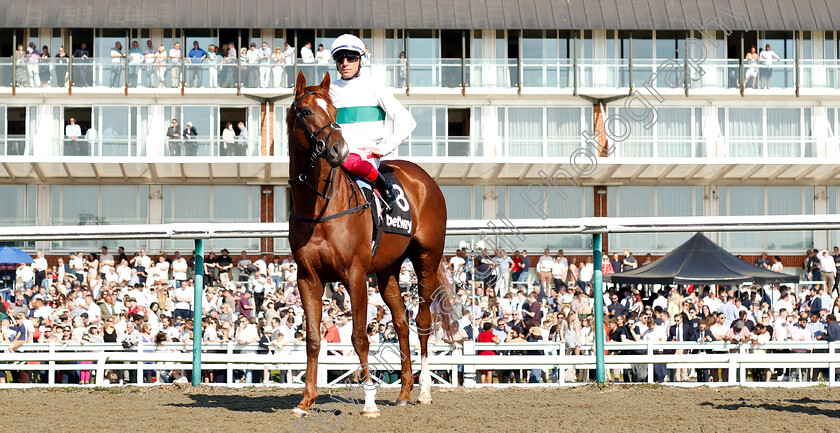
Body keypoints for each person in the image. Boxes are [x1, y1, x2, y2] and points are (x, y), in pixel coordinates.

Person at [328, 34, 417, 210]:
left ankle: (386, 189)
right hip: (336, 156)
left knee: (350, 161)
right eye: (340, 58)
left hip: (363, 157)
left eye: (351, 58)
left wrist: (384, 149)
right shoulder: (329, 91)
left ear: (360, 61)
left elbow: (407, 121)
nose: (345, 62)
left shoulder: (375, 87)